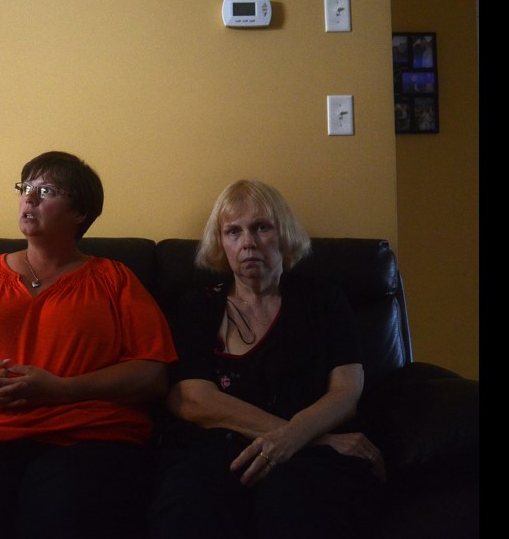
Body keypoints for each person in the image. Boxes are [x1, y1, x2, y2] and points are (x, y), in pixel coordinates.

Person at [0, 151, 178, 539]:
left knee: (63, 514)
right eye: (25, 187)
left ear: (79, 213)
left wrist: (61, 390)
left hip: (84, 438)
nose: (29, 199)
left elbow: (152, 375)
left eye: (45, 190)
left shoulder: (115, 279)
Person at [149, 179, 384, 539]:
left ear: (283, 233)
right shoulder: (198, 306)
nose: (247, 243)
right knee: (189, 507)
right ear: (220, 242)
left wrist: (295, 443)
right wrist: (299, 436)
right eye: (233, 231)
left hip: (307, 462)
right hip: (216, 452)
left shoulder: (324, 301)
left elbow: (346, 392)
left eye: (261, 227)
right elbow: (193, 400)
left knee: (296, 505)